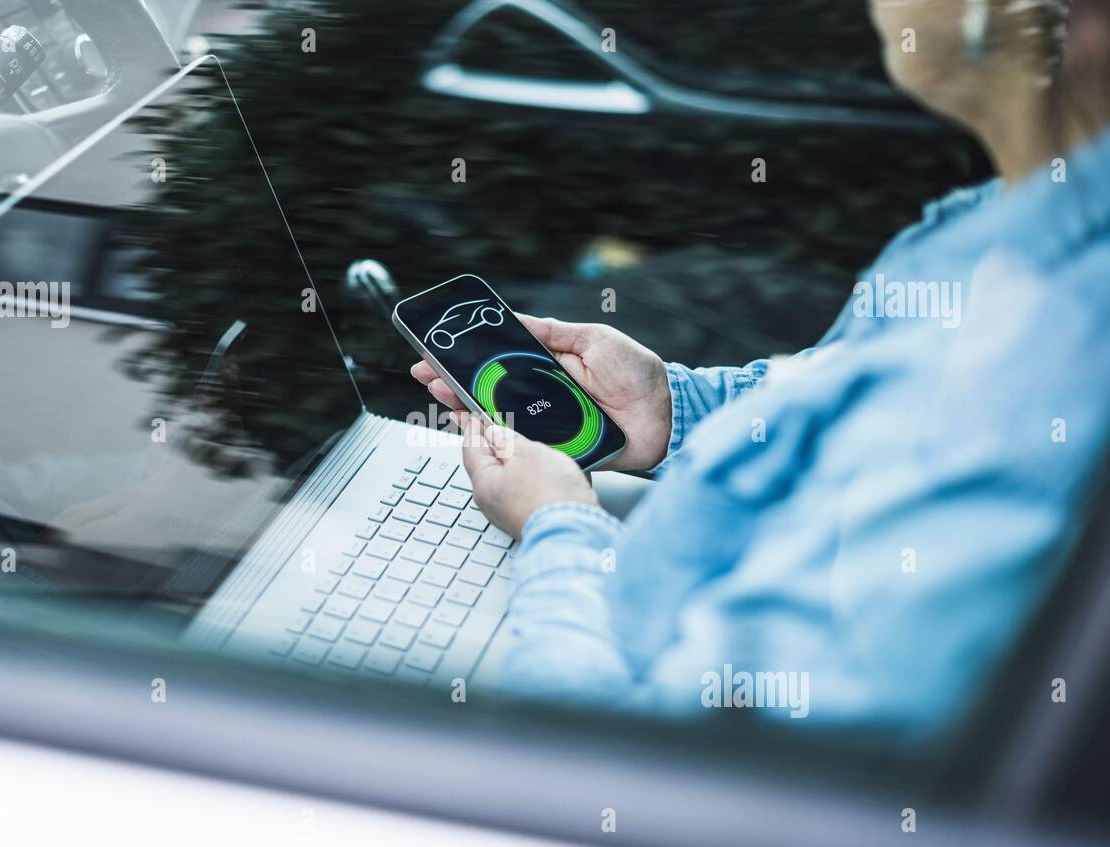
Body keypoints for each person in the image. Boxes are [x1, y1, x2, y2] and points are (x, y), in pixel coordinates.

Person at [411, 0, 1110, 735]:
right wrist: (677, 410)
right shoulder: (1008, 220)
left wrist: (554, 527)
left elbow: (654, 770)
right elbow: (847, 395)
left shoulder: (1040, 368)